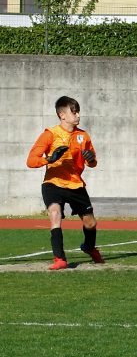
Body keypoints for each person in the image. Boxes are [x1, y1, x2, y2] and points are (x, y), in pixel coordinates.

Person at [26, 96, 104, 270]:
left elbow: (93, 162)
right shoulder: (50, 134)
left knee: (90, 223)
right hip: (53, 183)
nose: (77, 115)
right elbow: (31, 160)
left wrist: (91, 160)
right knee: (54, 213)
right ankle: (59, 259)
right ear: (62, 115)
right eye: (73, 111)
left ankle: (89, 247)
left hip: (76, 185)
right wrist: (49, 159)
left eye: (78, 111)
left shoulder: (83, 136)